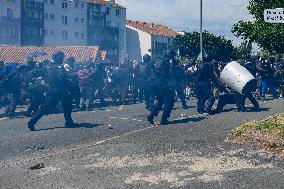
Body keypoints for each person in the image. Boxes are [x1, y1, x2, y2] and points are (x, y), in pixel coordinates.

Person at [27, 51, 77, 131]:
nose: (62, 59)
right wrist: (69, 74)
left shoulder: (50, 67)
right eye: (61, 57)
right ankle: (32, 121)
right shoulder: (58, 67)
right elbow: (62, 78)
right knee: (45, 107)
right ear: (58, 58)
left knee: (67, 106)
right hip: (58, 90)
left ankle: (69, 121)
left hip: (57, 90)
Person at [147, 51, 175, 125]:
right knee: (170, 101)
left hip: (156, 84)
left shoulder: (158, 61)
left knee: (160, 101)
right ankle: (164, 119)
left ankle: (151, 115)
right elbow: (170, 73)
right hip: (164, 83)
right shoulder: (169, 61)